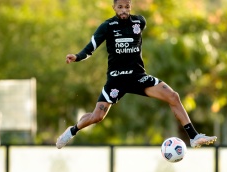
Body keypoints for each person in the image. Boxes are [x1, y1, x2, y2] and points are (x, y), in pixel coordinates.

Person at [56, 0, 217, 149]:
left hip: (138, 77)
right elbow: (91, 47)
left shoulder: (139, 21)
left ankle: (194, 137)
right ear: (114, 8)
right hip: (116, 79)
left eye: (127, 7)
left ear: (131, 6)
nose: (124, 10)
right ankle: (72, 131)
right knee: (97, 116)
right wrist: (77, 56)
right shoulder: (107, 26)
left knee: (173, 96)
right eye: (120, 7)